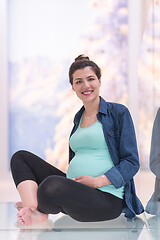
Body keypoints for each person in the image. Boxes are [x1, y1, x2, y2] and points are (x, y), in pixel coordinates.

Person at [10, 55, 144, 226]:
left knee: (51, 185)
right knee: (20, 157)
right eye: (79, 81)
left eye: (90, 79)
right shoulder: (78, 118)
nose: (86, 85)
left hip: (106, 199)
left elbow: (131, 162)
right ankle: (34, 209)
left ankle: (39, 209)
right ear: (73, 87)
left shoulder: (118, 113)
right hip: (76, 196)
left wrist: (98, 181)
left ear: (100, 81)